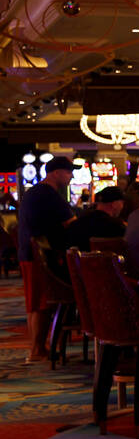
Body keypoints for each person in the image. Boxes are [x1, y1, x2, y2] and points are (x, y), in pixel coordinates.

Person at [16, 155, 75, 363]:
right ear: (57, 172)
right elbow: (71, 224)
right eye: (68, 172)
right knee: (42, 303)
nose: (71, 177)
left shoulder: (35, 192)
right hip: (40, 255)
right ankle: (36, 350)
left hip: (29, 253)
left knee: (35, 303)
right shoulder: (49, 195)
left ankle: (38, 347)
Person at [66, 185, 126, 251]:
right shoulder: (117, 227)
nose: (122, 207)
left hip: (81, 261)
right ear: (114, 204)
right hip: (106, 261)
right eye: (122, 203)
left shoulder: (77, 223)